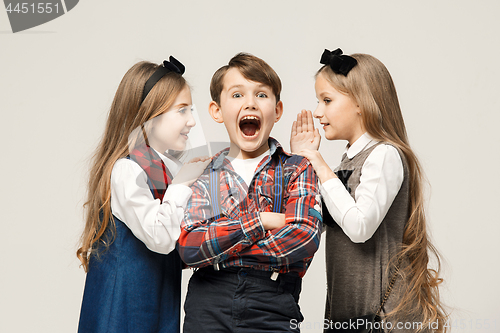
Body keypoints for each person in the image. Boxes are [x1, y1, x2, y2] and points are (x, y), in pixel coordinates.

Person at [290, 48, 447, 332]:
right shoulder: (344, 164)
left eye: (327, 100)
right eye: (318, 102)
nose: (317, 112)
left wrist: (318, 163)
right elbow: (312, 225)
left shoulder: (384, 154)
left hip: (383, 320)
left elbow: (360, 226)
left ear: (361, 102)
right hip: (349, 317)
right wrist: (302, 164)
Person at [177, 53, 322, 332]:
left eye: (261, 95)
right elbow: (189, 248)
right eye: (237, 95)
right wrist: (263, 221)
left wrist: (222, 245)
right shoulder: (202, 171)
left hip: (272, 302)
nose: (250, 103)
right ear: (216, 110)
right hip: (208, 302)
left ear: (277, 110)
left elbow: (303, 238)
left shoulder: (297, 168)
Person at [76, 57, 210, 333]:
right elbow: (160, 237)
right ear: (148, 115)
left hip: (157, 306)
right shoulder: (126, 169)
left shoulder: (164, 168)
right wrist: (182, 185)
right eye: (182, 111)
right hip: (122, 313)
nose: (192, 121)